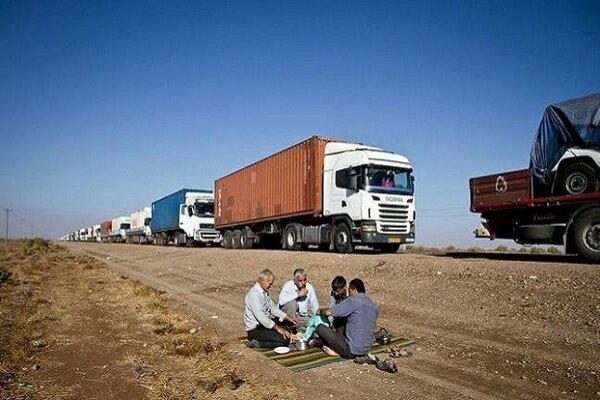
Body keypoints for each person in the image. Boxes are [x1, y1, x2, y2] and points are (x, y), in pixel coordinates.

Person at [317, 278, 378, 359]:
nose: (349, 295)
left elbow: (328, 312)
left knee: (320, 328)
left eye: (349, 292)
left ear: (354, 291)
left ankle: (337, 351)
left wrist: (320, 311)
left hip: (351, 351)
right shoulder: (372, 305)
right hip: (366, 349)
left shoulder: (354, 300)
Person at [244, 269, 298, 348]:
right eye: (269, 284)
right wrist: (277, 328)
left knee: (287, 330)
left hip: (264, 326)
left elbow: (272, 308)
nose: (270, 286)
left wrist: (287, 317)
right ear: (263, 281)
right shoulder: (254, 294)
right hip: (255, 329)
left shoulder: (264, 292)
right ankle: (257, 343)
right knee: (284, 340)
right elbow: (260, 317)